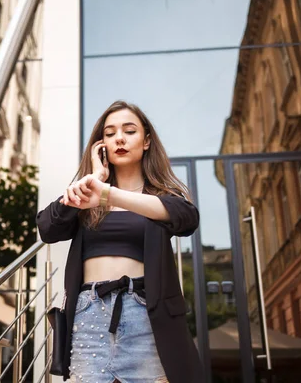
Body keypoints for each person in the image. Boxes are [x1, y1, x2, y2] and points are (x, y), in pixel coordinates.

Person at [36, 101, 204, 383]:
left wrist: (108, 194)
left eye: (129, 131)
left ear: (147, 141)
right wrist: (94, 179)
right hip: (89, 315)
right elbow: (48, 228)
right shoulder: (89, 191)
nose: (120, 139)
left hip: (144, 316)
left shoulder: (158, 197)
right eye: (110, 133)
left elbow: (187, 218)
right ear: (101, 145)